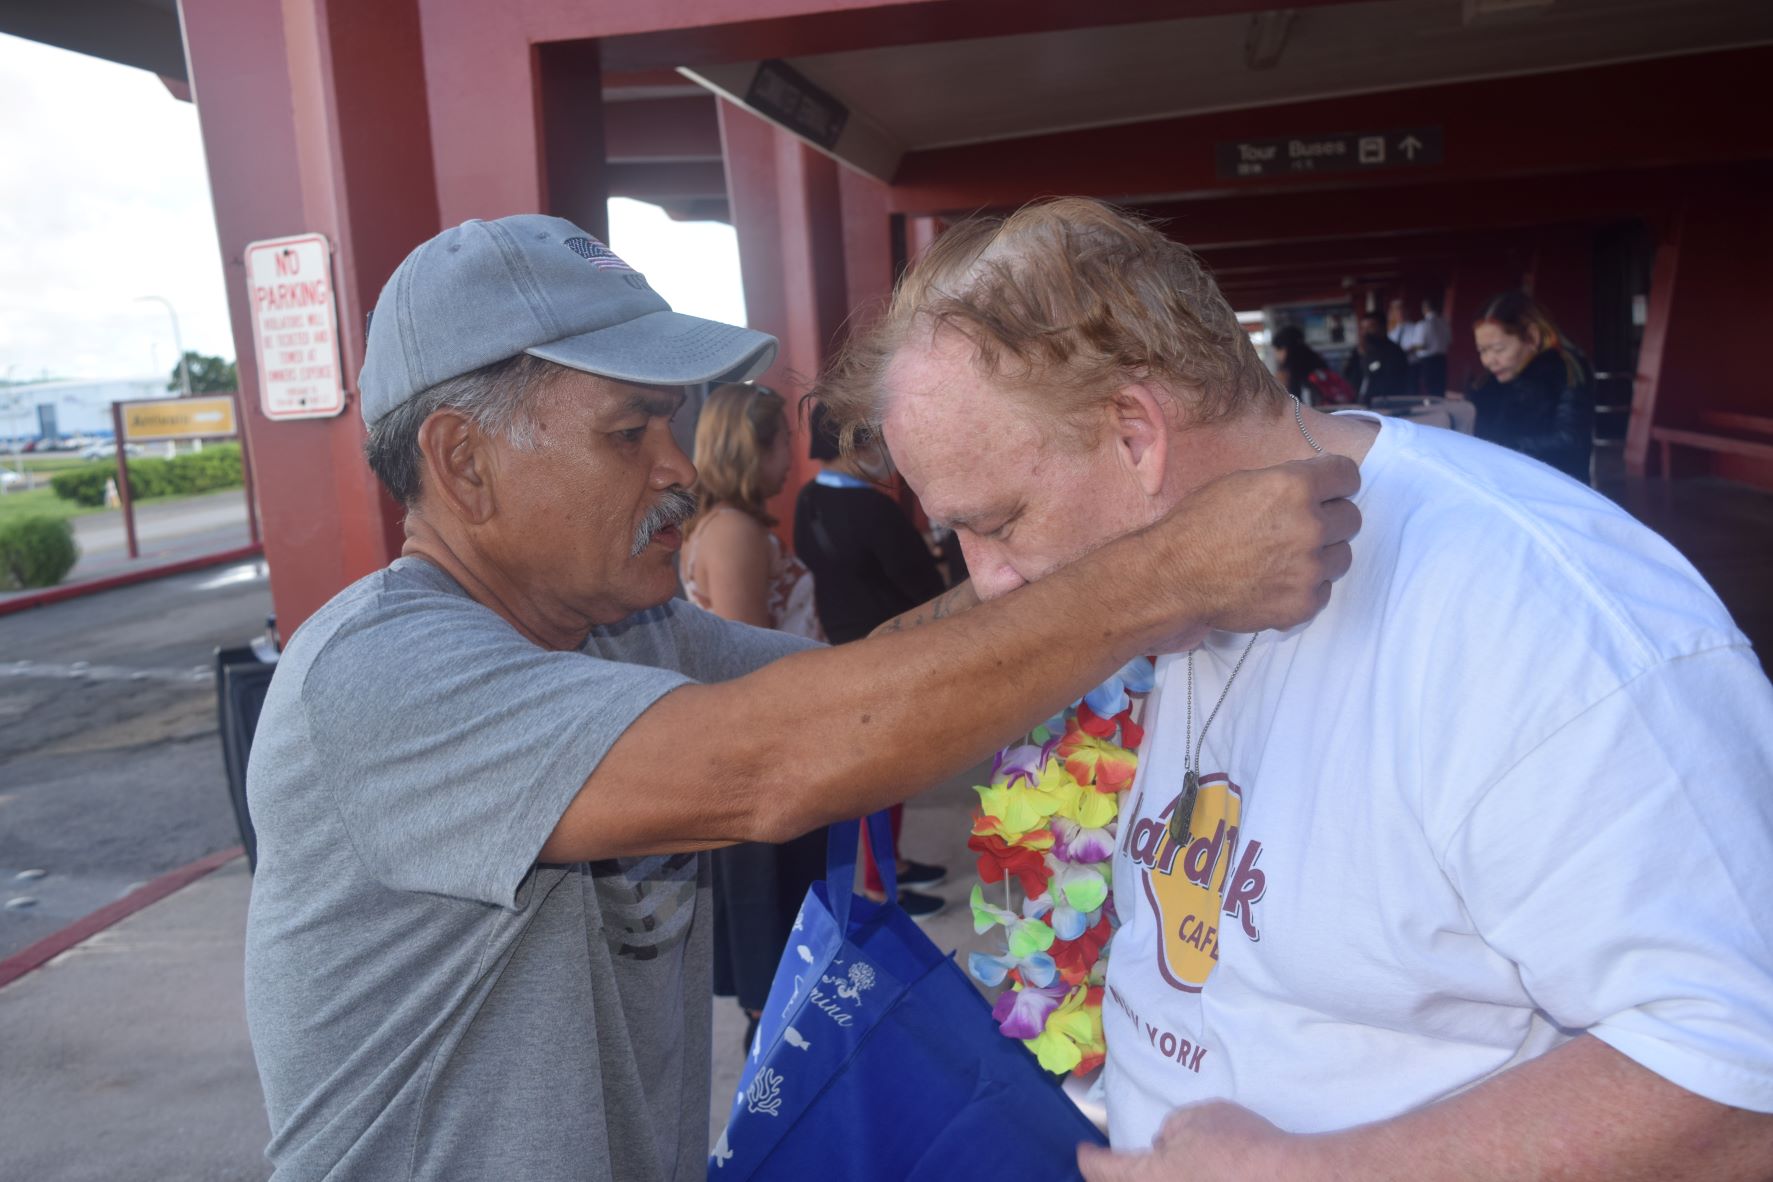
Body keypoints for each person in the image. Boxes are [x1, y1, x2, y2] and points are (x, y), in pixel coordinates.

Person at [241, 213, 1359, 1181]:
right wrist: (1167, 577)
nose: (678, 467)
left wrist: (1071, 544)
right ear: (463, 462)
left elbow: (863, 694)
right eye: (632, 431)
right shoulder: (381, 680)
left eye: (672, 427)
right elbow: (776, 764)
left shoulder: (630, 633)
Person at [816, 197, 1773, 1180]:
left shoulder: (1538, 617)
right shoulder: (1180, 590)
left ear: (1135, 431)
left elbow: (1744, 1069)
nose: (990, 581)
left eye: (1002, 520)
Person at [677, 383, 825, 1047]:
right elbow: (747, 658)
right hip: (767, 750)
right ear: (749, 448)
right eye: (779, 448)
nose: (790, 465)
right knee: (773, 906)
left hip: (770, 743)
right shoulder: (733, 532)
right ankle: (773, 1040)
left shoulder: (728, 525)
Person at [794, 400, 950, 918]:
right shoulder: (873, 509)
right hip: (892, 651)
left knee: (881, 771)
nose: (887, 451)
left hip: (843, 647)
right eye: (878, 439)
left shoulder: (808, 499)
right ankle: (883, 882)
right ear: (854, 445)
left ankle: (893, 867)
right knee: (891, 773)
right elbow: (926, 589)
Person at [1469, 290, 1595, 483]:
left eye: (1498, 349)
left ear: (1532, 337)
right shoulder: (1489, 384)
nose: (1488, 360)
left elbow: (1570, 440)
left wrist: (1501, 449)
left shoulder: (1565, 371)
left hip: (1558, 492)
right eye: (1482, 351)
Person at [1269, 325, 1355, 407]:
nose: (1276, 355)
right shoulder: (1315, 360)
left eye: (1277, 350)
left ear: (1285, 349)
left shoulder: (1287, 373)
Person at [1338, 313, 1411, 401]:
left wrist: (1366, 359)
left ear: (1382, 328)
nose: (1365, 332)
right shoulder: (1359, 351)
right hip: (1358, 403)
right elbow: (1347, 376)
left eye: (1370, 328)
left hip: (1385, 403)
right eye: (1363, 328)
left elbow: (1389, 382)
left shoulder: (1393, 352)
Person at [1411, 296, 1453, 395]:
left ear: (1424, 308)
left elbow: (1420, 345)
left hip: (1428, 362)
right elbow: (1449, 341)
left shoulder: (1423, 324)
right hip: (1442, 360)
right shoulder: (1445, 323)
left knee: (1428, 390)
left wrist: (1409, 349)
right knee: (1440, 389)